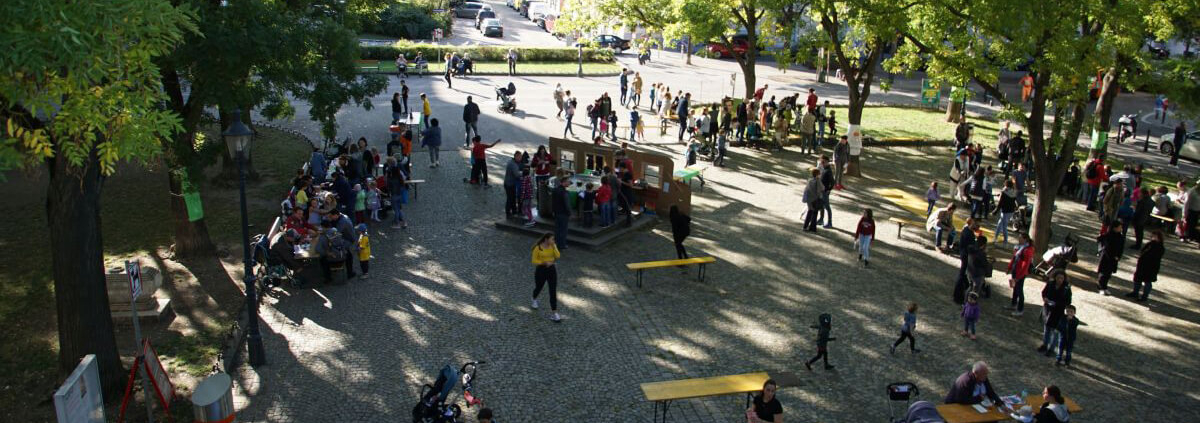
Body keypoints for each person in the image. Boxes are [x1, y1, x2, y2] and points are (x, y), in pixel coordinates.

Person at [531, 233, 562, 322]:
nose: (553, 241)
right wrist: (544, 263)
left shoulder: (553, 246)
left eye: (554, 239)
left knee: (552, 291)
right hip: (541, 270)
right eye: (552, 239)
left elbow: (558, 256)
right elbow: (534, 260)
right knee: (539, 287)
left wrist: (555, 246)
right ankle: (534, 298)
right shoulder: (538, 248)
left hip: (552, 270)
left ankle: (555, 313)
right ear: (546, 239)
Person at [1038, 273, 1071, 355]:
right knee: (1046, 329)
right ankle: (1045, 345)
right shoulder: (1050, 284)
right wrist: (1045, 298)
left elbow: (1068, 301)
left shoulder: (1066, 288)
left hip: (1058, 312)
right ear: (1055, 277)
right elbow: (1044, 292)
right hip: (1047, 309)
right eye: (1058, 277)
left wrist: (1057, 304)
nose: (1060, 280)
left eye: (1062, 278)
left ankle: (1051, 349)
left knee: (1055, 331)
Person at [1127, 229, 1165, 301]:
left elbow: (1155, 257)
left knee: (1147, 281)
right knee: (1137, 279)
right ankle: (1135, 292)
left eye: (1154, 236)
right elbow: (1142, 251)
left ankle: (1144, 296)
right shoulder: (1150, 244)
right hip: (1142, 265)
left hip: (1151, 267)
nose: (1152, 237)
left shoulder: (1160, 247)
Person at [1005, 233, 1034, 316]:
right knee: (1015, 288)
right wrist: (1009, 267)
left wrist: (1019, 276)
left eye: (1020, 238)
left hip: (1020, 273)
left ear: (1025, 239)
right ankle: (1013, 304)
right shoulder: (1019, 248)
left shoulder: (1027, 250)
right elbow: (1014, 258)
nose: (1019, 239)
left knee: (1019, 290)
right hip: (1015, 270)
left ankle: (1020, 309)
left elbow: (1025, 265)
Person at [1096, 221, 1124, 296]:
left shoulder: (1120, 237)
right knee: (1103, 273)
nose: (1121, 229)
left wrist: (1118, 256)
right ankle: (1100, 287)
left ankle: (1105, 287)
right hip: (1106, 257)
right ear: (1115, 228)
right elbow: (1106, 246)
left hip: (1114, 258)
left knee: (1108, 273)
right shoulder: (1108, 235)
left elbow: (1121, 248)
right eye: (1119, 227)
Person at [995, 179, 1018, 244]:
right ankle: (996, 237)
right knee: (1000, 223)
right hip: (1011, 210)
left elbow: (1000, 202)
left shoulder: (1004, 191)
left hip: (1005, 210)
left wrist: (996, 210)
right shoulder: (1013, 191)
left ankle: (1005, 241)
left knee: (1004, 226)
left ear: (1006, 184)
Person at [552, 177, 571, 249]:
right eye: (568, 182)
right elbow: (567, 204)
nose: (569, 183)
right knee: (563, 230)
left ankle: (556, 243)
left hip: (556, 212)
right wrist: (569, 213)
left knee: (557, 229)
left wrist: (553, 211)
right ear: (564, 182)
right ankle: (562, 245)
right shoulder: (565, 192)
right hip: (563, 213)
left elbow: (553, 202)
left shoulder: (555, 190)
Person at [803, 168, 824, 232]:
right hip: (815, 199)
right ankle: (812, 227)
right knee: (814, 213)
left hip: (809, 199)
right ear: (817, 174)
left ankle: (805, 226)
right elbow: (822, 188)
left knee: (809, 212)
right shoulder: (818, 181)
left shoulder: (809, 180)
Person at [817, 156, 835, 228]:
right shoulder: (824, 169)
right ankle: (821, 219)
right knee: (821, 205)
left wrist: (828, 190)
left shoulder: (828, 171)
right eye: (821, 162)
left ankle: (830, 222)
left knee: (827, 207)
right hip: (821, 191)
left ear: (827, 162)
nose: (822, 164)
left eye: (823, 162)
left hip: (825, 192)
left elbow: (833, 182)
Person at [504, 151, 522, 217]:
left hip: (510, 183)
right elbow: (517, 175)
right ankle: (508, 213)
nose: (521, 158)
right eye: (520, 157)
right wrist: (523, 173)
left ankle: (514, 211)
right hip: (509, 184)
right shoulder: (513, 164)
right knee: (510, 198)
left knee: (513, 198)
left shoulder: (512, 162)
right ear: (516, 156)